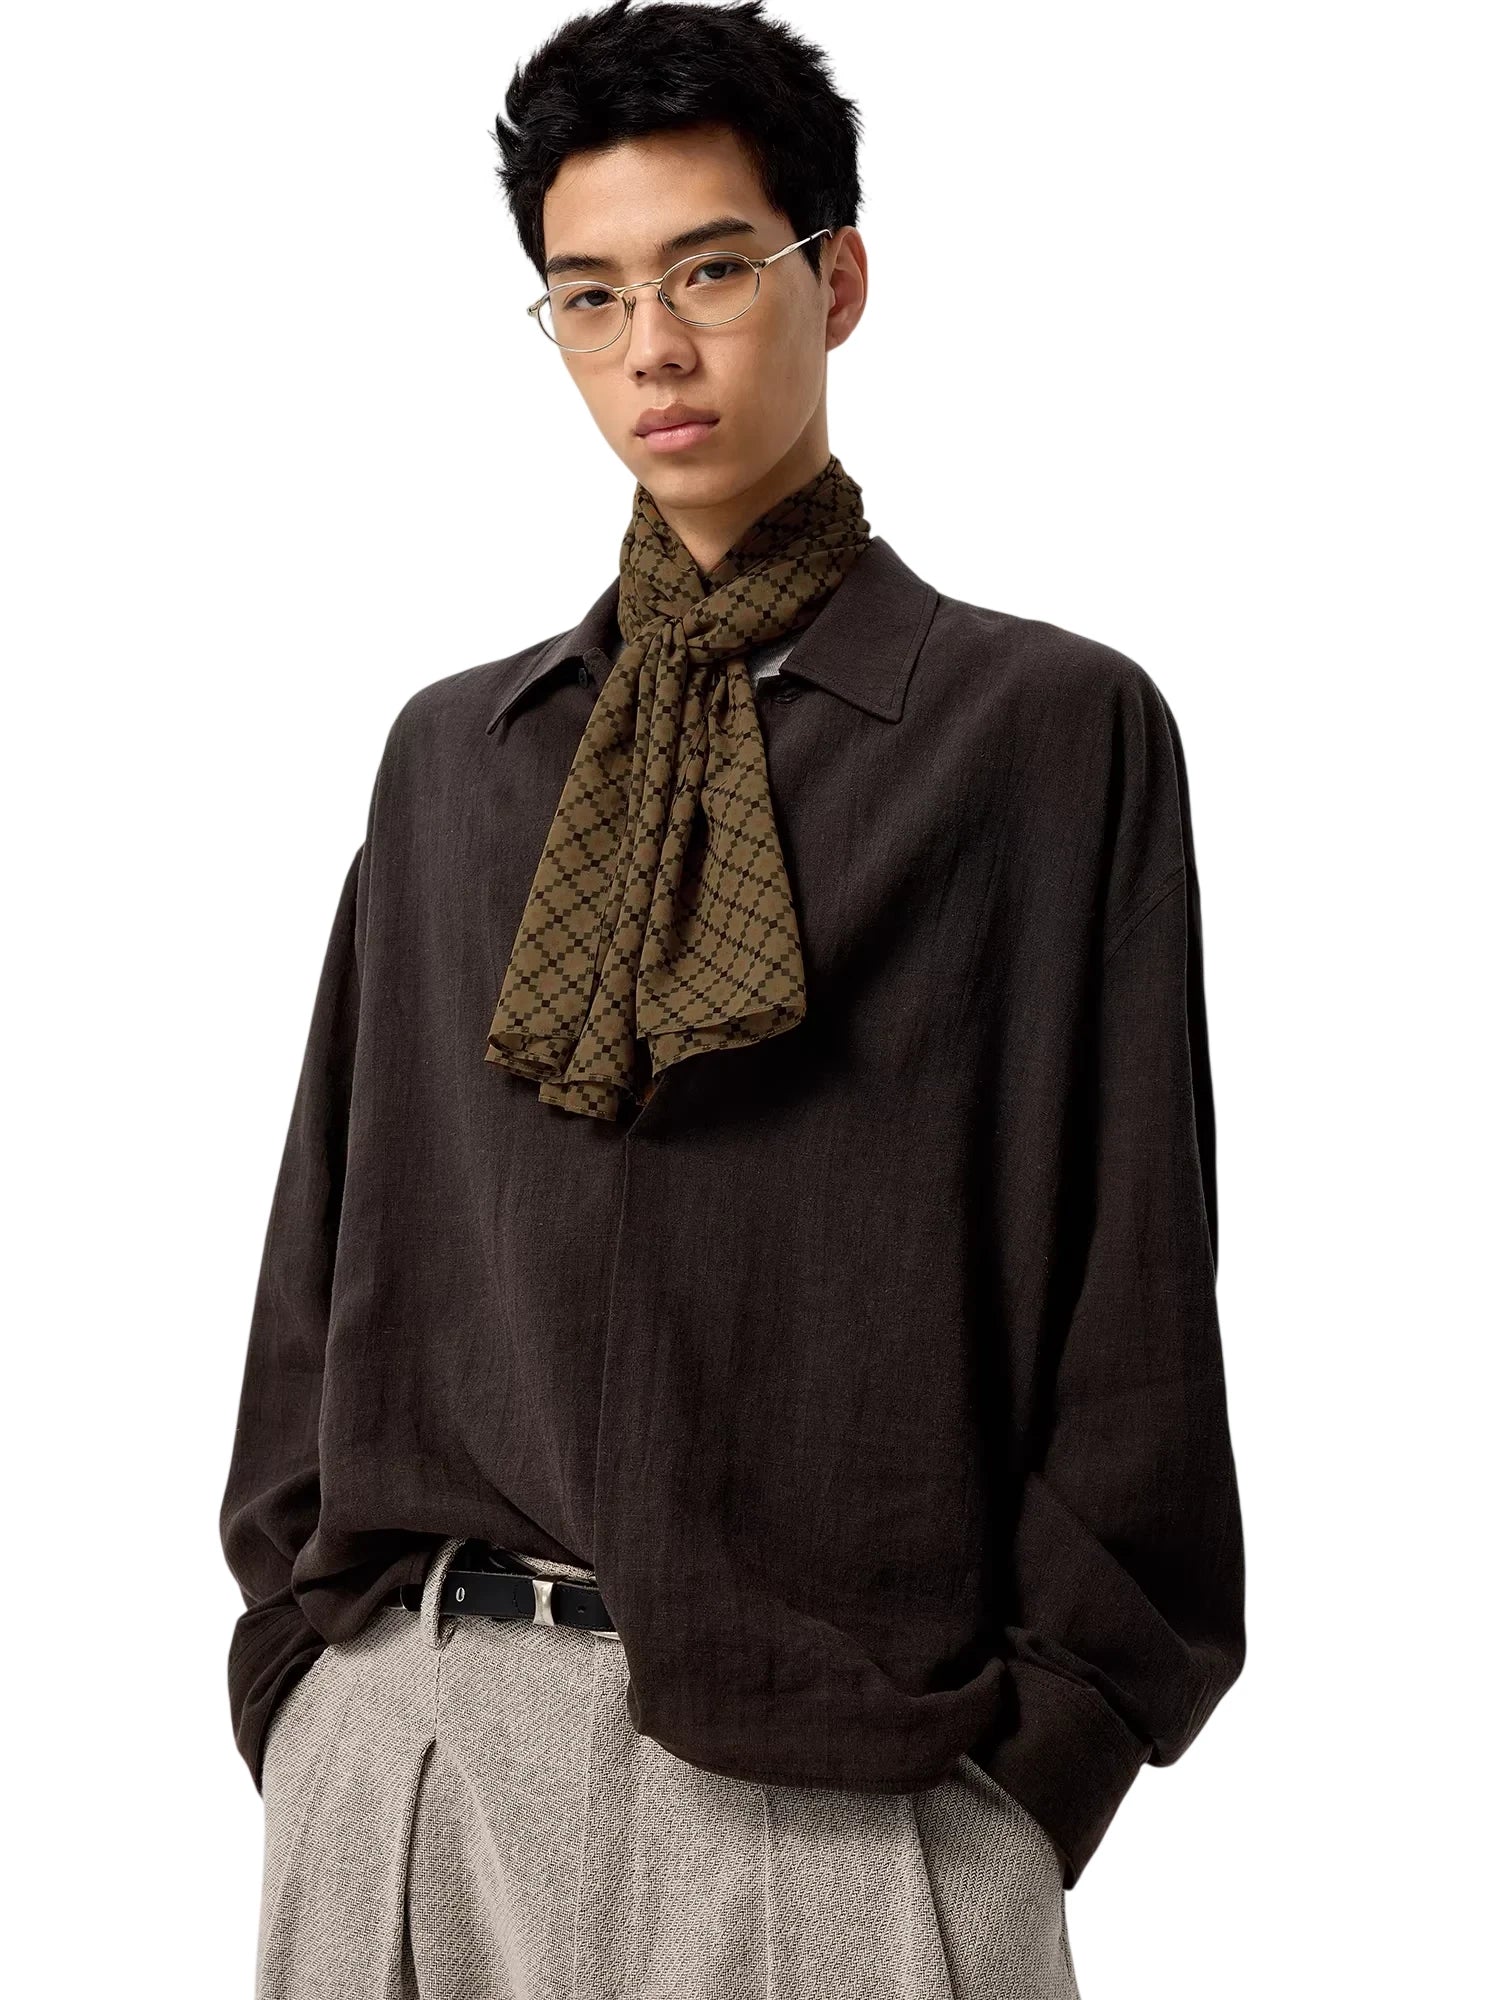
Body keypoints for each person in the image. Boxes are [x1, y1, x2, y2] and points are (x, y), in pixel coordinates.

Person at [219, 2, 1246, 1993]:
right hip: (418, 1750)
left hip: (855, 1777)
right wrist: (308, 1681)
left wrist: (1029, 1769)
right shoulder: (458, 757)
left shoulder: (1043, 732)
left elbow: (1133, 1293)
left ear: (834, 278)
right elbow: (322, 1253)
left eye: (708, 271)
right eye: (589, 295)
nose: (653, 351)